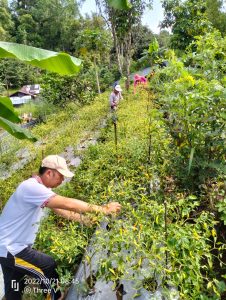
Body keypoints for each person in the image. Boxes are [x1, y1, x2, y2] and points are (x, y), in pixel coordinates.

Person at [0, 155, 121, 300]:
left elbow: (60, 209)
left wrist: (85, 220)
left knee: (14, 287)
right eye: (61, 176)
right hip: (11, 248)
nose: (62, 180)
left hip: (6, 247)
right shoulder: (31, 187)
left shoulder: (37, 189)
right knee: (46, 266)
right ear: (49, 173)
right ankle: (55, 297)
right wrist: (103, 209)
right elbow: (66, 203)